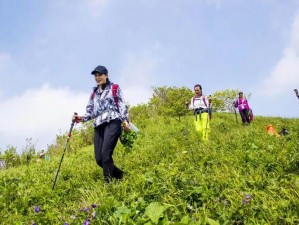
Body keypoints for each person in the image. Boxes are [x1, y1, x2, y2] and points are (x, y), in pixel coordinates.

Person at [73, 65, 130, 183]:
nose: (97, 77)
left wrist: (125, 120)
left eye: (100, 75)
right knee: (99, 159)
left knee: (105, 155)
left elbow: (121, 104)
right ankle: (120, 175)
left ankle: (108, 186)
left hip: (113, 121)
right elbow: (90, 111)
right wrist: (81, 118)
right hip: (98, 124)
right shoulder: (94, 93)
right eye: (96, 75)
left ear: (106, 75)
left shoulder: (114, 87)